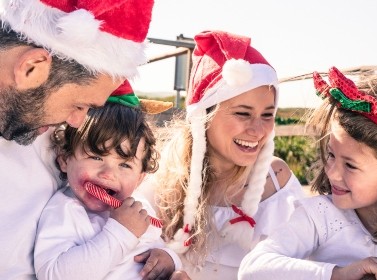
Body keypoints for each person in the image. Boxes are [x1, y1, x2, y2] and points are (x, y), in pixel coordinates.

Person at [0, 1, 186, 279]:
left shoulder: (39, 124)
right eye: (79, 104)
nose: (75, 122)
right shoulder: (65, 196)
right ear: (32, 68)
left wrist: (171, 263)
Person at [137, 30, 305, 279]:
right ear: (203, 116)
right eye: (242, 113)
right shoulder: (162, 178)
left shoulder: (275, 181)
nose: (258, 130)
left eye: (268, 115)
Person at [238, 67, 377, 280]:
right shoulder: (321, 216)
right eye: (331, 154)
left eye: (350, 165)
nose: (332, 173)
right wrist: (337, 274)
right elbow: (253, 269)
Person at [33, 80, 182, 279]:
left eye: (125, 165)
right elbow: (54, 274)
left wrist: (168, 258)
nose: (108, 173)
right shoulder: (65, 211)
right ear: (65, 160)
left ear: (140, 179)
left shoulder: (139, 206)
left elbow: (154, 245)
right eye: (96, 157)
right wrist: (121, 233)